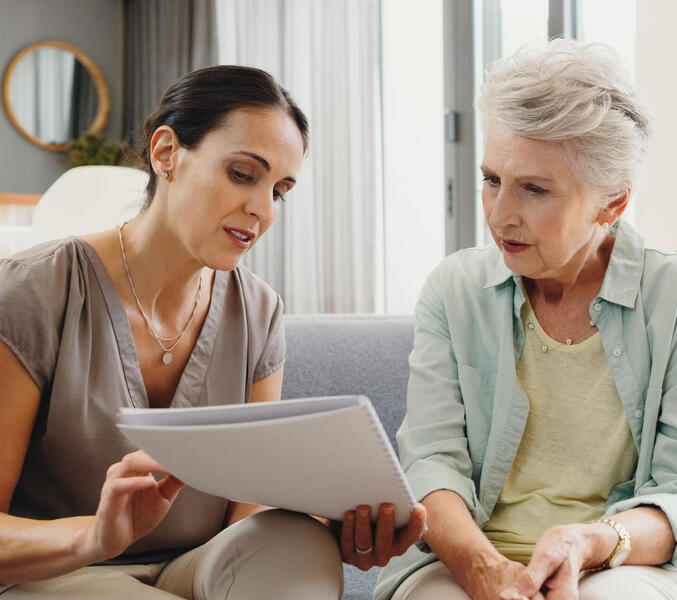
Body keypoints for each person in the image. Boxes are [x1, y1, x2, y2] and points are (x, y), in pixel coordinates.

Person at [0, 65, 425, 599]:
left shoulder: (258, 310)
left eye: (281, 190)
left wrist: (332, 523)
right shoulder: (32, 293)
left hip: (197, 570)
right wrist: (94, 536)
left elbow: (248, 514)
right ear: (166, 153)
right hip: (59, 573)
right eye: (243, 174)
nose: (262, 210)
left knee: (295, 546)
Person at [374, 40, 677, 600]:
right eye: (492, 180)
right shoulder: (453, 290)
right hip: (476, 558)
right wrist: (486, 572)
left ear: (612, 203)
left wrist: (593, 541)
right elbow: (431, 462)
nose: (499, 214)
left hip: (637, 559)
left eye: (534, 189)